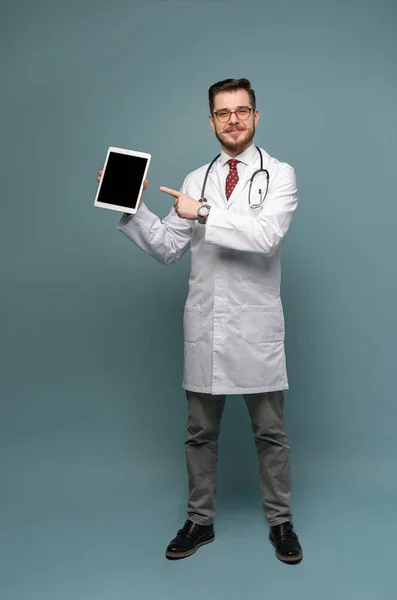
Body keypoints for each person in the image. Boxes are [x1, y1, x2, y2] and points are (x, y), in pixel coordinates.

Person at [97, 78, 303, 564]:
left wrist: (205, 212)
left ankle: (281, 521)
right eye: (222, 112)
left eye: (241, 110)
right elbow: (170, 247)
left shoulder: (280, 174)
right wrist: (134, 206)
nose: (233, 119)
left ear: (256, 116)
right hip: (207, 325)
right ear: (211, 121)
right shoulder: (195, 178)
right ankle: (199, 520)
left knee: (270, 433)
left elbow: (266, 236)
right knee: (199, 433)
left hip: (256, 328)